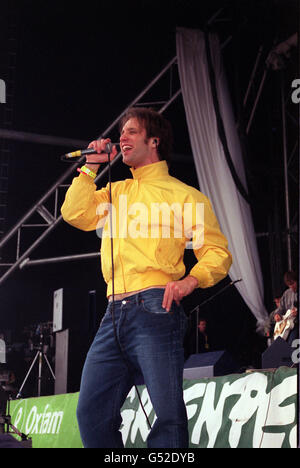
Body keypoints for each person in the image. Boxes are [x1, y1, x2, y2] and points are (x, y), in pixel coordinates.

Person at [61, 107, 232, 448]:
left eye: (131, 132)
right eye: (121, 133)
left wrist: (190, 280)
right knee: (91, 411)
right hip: (113, 314)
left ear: (154, 141)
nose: (121, 137)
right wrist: (90, 165)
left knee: (167, 414)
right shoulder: (116, 192)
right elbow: (74, 213)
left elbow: (217, 252)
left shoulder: (185, 196)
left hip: (155, 307)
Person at [273, 271, 298, 345]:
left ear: (297, 281)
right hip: (287, 324)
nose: (291, 287)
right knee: (279, 344)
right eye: (289, 285)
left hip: (296, 324)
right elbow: (280, 308)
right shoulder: (287, 293)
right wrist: (277, 315)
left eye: (293, 283)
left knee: (291, 343)